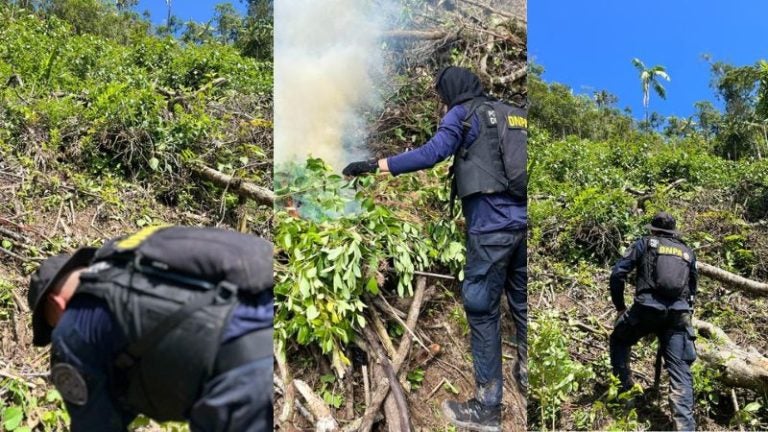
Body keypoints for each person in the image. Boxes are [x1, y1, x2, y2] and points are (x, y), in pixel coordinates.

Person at [343, 66, 527, 432]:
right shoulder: (517, 113)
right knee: (522, 301)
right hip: (525, 225)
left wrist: (374, 166)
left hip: (490, 227)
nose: (442, 103)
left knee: (481, 306)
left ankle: (488, 407)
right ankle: (527, 371)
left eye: (442, 95)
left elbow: (433, 153)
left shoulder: (464, 113)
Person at [27, 225, 274, 432]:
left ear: (55, 303)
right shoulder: (132, 258)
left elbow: (95, 426)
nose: (58, 331)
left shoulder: (72, 329)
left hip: (237, 378)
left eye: (52, 324)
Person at [609, 212, 698, 431]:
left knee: (619, 339)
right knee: (680, 370)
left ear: (653, 230)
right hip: (678, 315)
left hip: (646, 310)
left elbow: (617, 274)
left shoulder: (645, 244)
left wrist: (620, 307)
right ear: (674, 232)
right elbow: (693, 290)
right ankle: (685, 426)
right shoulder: (688, 252)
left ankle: (625, 391)